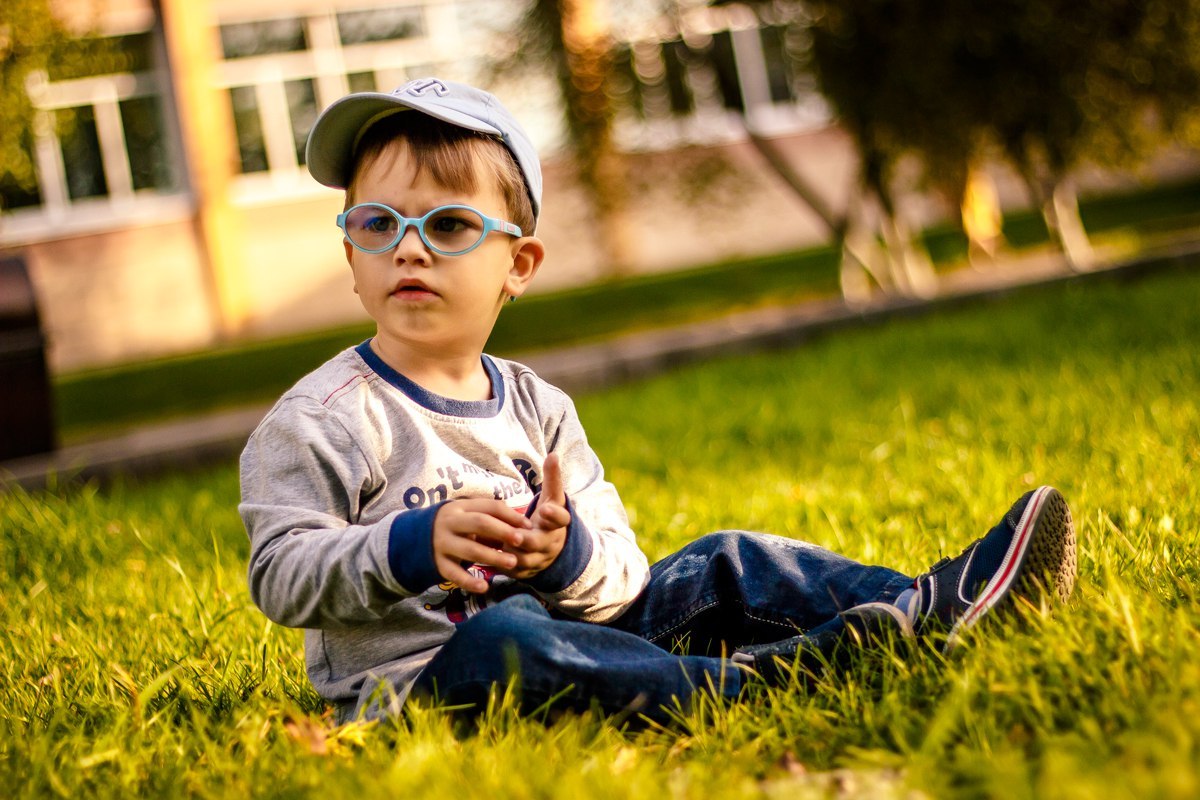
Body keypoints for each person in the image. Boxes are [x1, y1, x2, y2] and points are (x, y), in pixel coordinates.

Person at [239, 77, 1077, 726]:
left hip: (584, 636)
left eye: (449, 226)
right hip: (426, 687)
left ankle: (930, 608)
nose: (408, 250)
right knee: (503, 638)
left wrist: (563, 559)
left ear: (519, 265)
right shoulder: (323, 419)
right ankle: (756, 687)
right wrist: (407, 546)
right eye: (376, 224)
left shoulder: (539, 408)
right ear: (350, 250)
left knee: (725, 558)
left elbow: (621, 580)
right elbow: (280, 575)